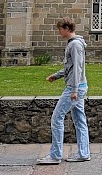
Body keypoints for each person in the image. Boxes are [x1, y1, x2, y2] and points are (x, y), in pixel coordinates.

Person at [37, 17, 90, 165]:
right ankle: (84, 153)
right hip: (79, 87)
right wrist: (56, 76)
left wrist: (74, 90)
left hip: (75, 88)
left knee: (56, 118)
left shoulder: (75, 45)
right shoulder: (74, 44)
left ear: (67, 29)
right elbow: (70, 67)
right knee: (80, 120)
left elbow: (78, 69)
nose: (59, 32)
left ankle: (55, 155)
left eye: (60, 29)